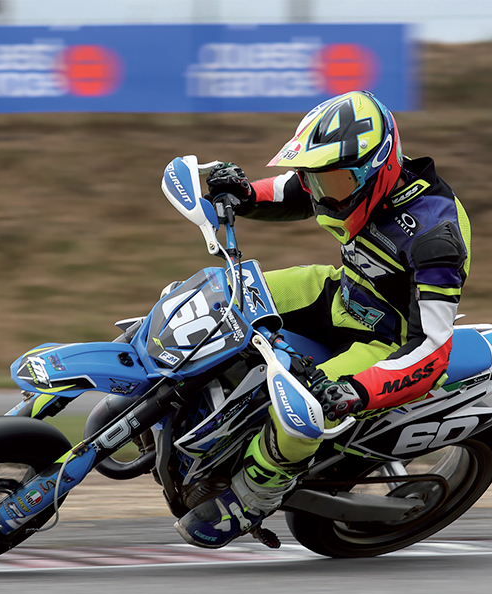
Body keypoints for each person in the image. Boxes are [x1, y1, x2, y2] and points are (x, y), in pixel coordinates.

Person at [175, 90, 472, 548]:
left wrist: (354, 391)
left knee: (300, 407)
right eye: (317, 179)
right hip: (342, 291)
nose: (322, 195)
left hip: (387, 338)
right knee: (216, 293)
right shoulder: (350, 179)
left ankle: (255, 493)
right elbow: (293, 189)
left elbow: (433, 349)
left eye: (330, 183)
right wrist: (243, 193)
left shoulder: (436, 237)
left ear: (378, 170)